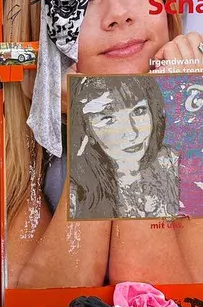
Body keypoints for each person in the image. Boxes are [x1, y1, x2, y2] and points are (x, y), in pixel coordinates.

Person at [4, 0, 203, 288]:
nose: (119, 15)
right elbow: (42, 304)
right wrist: (92, 124)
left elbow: (164, 303)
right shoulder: (16, 126)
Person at [67, 76, 179, 220]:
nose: (132, 133)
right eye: (108, 119)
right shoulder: (76, 194)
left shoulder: (172, 162)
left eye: (139, 111)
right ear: (87, 130)